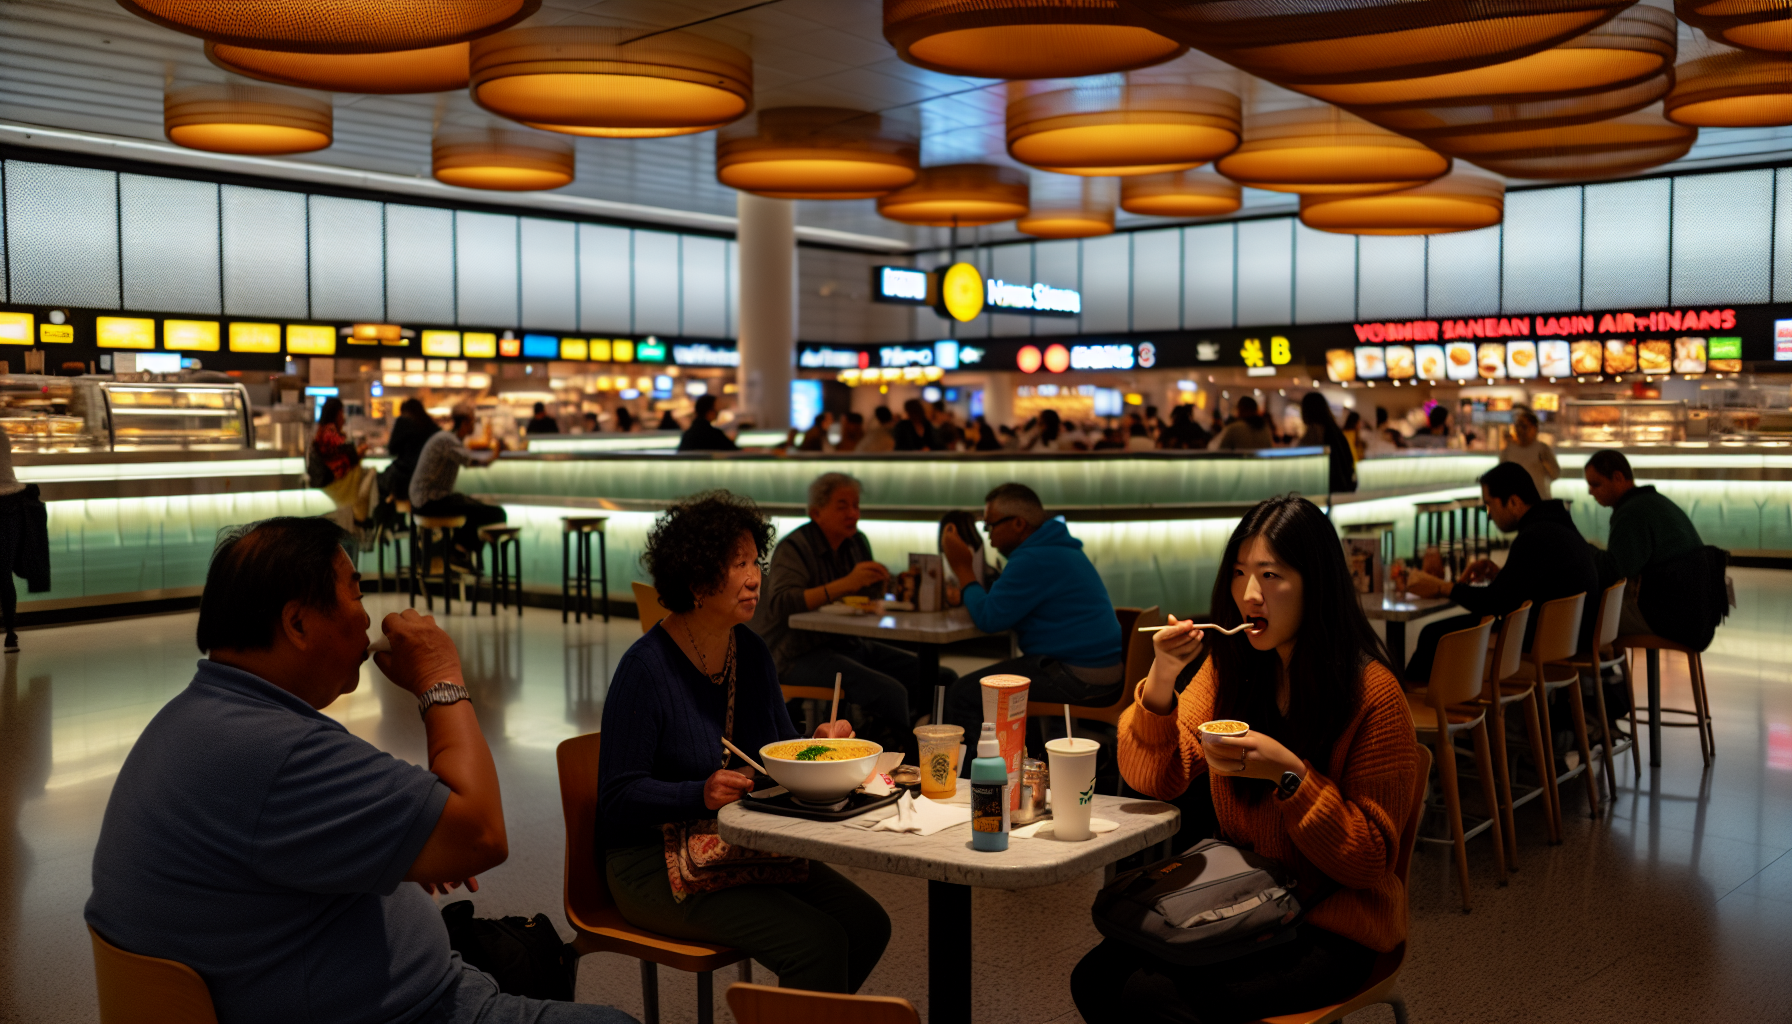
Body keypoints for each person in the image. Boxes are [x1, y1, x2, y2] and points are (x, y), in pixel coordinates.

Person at [85, 517, 636, 1024]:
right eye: (356, 592)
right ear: (297, 622)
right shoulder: (277, 751)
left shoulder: (199, 718)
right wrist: (440, 678)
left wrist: (388, 850)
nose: (368, 616)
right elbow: (482, 834)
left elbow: (260, 856)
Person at [1071, 496, 1419, 1024]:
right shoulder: (1232, 669)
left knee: (1153, 998)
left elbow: (1369, 862)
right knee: (1095, 979)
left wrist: (1291, 777)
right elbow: (1154, 779)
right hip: (1248, 895)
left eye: (1271, 575)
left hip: (1336, 925)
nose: (1249, 595)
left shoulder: (1373, 694)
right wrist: (1162, 677)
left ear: (1315, 583)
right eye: (1239, 573)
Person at [600, 491, 891, 993]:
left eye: (755, 560)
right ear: (695, 580)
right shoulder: (646, 668)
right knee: (817, 942)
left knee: (866, 923)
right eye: (737, 564)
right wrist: (699, 792)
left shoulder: (750, 651)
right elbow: (616, 798)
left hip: (734, 843)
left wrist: (817, 748)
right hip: (651, 863)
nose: (755, 576)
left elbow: (778, 759)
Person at [750, 473, 954, 757]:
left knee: (941, 676)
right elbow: (784, 602)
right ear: (816, 512)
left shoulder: (856, 542)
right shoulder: (795, 547)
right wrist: (848, 583)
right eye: (843, 506)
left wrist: (887, 585)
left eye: (856, 506)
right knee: (891, 692)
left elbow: (865, 599)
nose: (853, 514)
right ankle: (902, 762)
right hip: (794, 652)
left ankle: (926, 737)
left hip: (846, 642)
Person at [940, 483, 1125, 735]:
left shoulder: (1033, 558)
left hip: (1078, 676)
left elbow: (988, 618)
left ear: (1018, 523)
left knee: (963, 694)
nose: (989, 535)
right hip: (1104, 672)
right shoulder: (1058, 548)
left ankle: (976, 774)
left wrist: (962, 569)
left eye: (990, 525)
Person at [1402, 461, 1599, 680]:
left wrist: (1443, 587)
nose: (1488, 515)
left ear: (1513, 502)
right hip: (1569, 635)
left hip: (1549, 641)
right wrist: (1503, 576)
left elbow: (1496, 602)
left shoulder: (1535, 536)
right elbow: (1527, 588)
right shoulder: (1555, 524)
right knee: (1444, 631)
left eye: (1489, 505)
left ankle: (1411, 705)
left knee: (1434, 635)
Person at [1584, 449, 1706, 639]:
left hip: (1672, 617)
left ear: (1618, 477)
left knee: (1581, 617)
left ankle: (1593, 669)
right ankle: (1607, 668)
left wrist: (1584, 550)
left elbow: (1615, 572)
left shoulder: (1632, 512)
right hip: (1697, 613)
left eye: (1595, 484)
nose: (1590, 492)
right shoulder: (1652, 501)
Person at [410, 411, 506, 557]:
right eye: (473, 422)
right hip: (429, 501)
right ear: (464, 423)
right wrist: (493, 456)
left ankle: (460, 551)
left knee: (478, 508)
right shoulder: (447, 440)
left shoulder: (447, 438)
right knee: (494, 513)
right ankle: (458, 551)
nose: (475, 425)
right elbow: (470, 460)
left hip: (429, 499)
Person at [311, 397, 378, 529]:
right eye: (341, 413)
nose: (343, 418)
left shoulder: (322, 430)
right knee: (371, 473)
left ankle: (362, 518)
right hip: (336, 484)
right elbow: (342, 456)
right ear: (337, 414)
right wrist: (359, 450)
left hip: (330, 481)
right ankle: (362, 517)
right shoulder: (330, 431)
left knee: (368, 475)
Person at [1298, 392, 1358, 494]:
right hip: (1343, 487)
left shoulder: (1316, 431)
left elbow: (1303, 458)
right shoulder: (1335, 431)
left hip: (1328, 489)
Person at [1499, 409, 1559, 500]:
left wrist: (1545, 463)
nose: (1519, 430)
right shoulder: (1508, 450)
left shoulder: (1542, 449)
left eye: (1523, 426)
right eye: (1517, 426)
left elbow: (1555, 474)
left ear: (1534, 429)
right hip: (1515, 505)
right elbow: (1501, 478)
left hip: (1539, 502)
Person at [1209, 396, 1275, 450]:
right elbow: (1269, 449)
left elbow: (1218, 449)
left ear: (1241, 409)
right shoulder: (1264, 428)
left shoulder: (1235, 428)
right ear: (1256, 410)